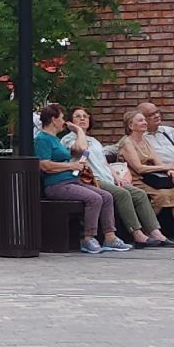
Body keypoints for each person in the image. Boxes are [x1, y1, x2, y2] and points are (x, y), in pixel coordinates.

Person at [61, 106, 172, 248]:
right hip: (90, 180)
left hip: (106, 178)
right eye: (78, 116)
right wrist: (78, 131)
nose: (82, 118)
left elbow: (104, 162)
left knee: (139, 194)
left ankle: (155, 232)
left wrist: (116, 177)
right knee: (122, 194)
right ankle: (137, 234)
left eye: (85, 116)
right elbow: (80, 150)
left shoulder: (94, 141)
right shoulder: (69, 139)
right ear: (70, 121)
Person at [35, 103, 130, 254]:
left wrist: (76, 166)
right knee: (94, 198)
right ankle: (88, 238)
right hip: (56, 185)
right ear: (53, 119)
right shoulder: (42, 139)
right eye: (61, 118)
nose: (64, 122)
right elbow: (44, 165)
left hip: (71, 180)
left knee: (106, 196)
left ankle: (110, 236)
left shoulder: (54, 139)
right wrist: (71, 167)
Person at [117, 109, 174, 244]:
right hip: (135, 179)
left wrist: (170, 172)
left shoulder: (145, 141)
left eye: (144, 120)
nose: (144, 123)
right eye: (140, 120)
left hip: (151, 178)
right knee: (161, 196)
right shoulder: (127, 143)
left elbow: (157, 161)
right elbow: (139, 168)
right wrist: (166, 167)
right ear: (131, 126)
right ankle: (146, 230)